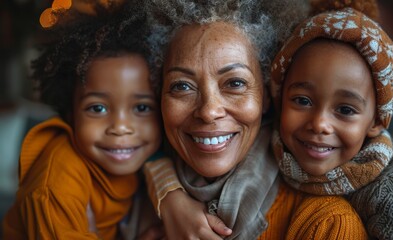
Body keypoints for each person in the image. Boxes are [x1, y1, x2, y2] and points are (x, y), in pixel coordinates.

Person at [130, 0, 368, 239]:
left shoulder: (327, 224)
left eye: (235, 83)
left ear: (266, 96)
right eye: (182, 86)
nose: (209, 111)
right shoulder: (134, 193)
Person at [2, 1, 165, 239]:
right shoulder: (57, 184)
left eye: (142, 107)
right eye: (97, 108)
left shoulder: (141, 156)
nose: (120, 127)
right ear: (70, 112)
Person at [270, 1, 393, 240]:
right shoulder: (266, 150)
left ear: (376, 121)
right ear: (280, 99)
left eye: (345, 109)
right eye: (302, 101)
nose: (320, 123)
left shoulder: (392, 188)